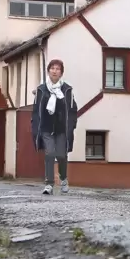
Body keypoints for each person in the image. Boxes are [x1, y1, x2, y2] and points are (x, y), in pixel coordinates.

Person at [31, 59, 78, 195]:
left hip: (62, 128)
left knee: (62, 155)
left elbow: (73, 109)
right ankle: (49, 184)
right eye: (52, 68)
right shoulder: (41, 89)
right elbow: (36, 110)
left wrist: (72, 125)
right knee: (50, 153)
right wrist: (35, 125)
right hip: (46, 127)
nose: (54, 71)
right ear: (48, 71)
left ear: (61, 73)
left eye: (57, 69)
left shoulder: (67, 90)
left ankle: (63, 179)